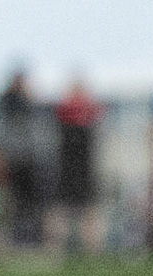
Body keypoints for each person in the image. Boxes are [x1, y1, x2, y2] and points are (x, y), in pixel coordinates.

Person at [51, 75, 104, 254]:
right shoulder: (68, 110)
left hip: (81, 169)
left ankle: (89, 248)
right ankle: (61, 246)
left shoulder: (80, 111)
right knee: (65, 209)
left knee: (85, 209)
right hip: (70, 168)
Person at [0, 68, 46, 247]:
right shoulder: (10, 102)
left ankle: (30, 237)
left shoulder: (25, 103)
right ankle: (18, 237)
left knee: (30, 201)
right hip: (16, 159)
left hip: (28, 159)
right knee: (16, 200)